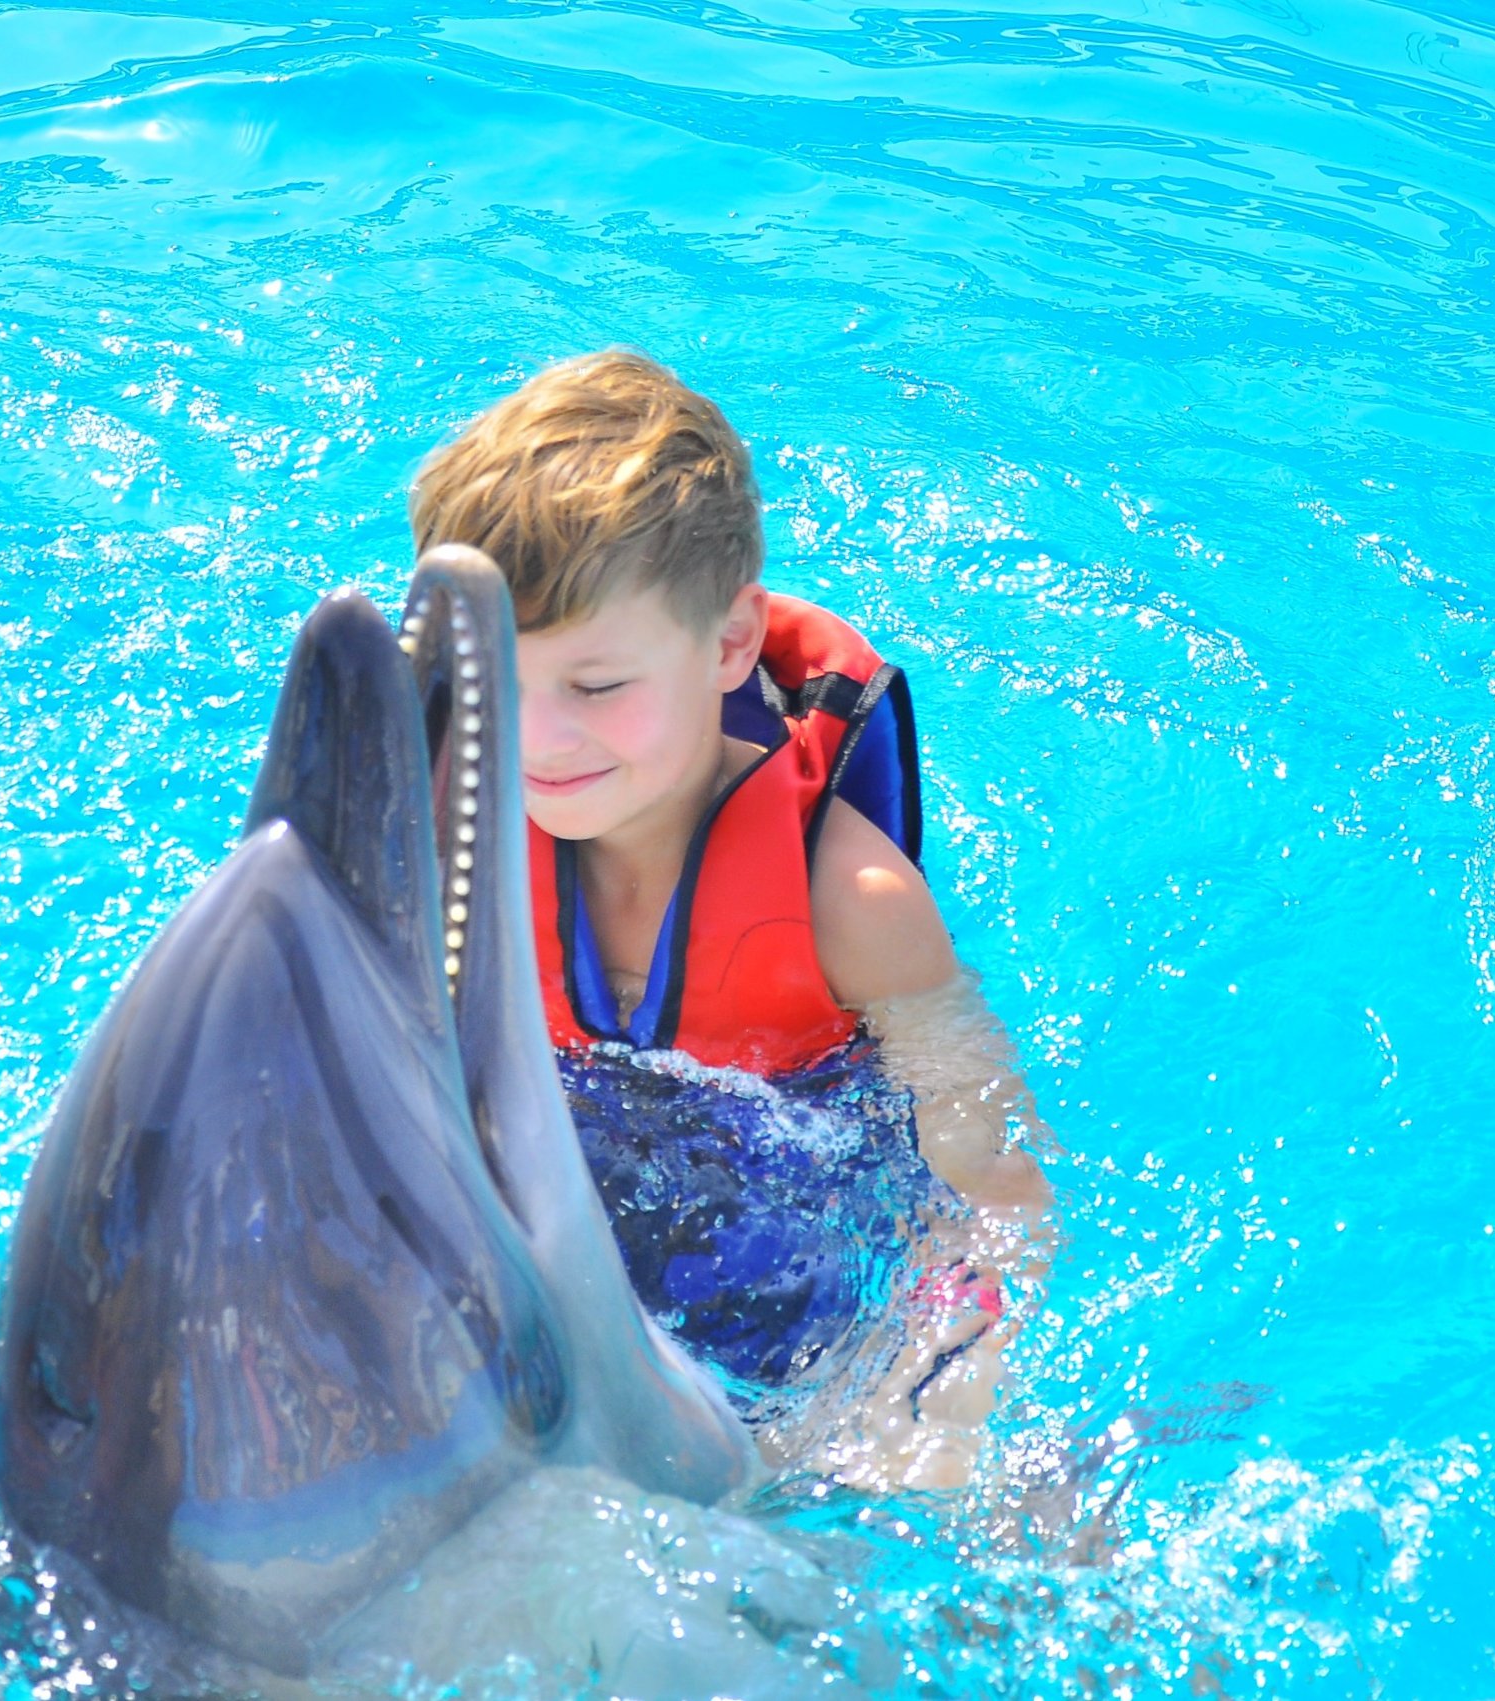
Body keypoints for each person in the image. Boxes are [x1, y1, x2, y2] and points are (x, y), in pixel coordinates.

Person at [408, 349, 1056, 1489]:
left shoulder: (847, 902)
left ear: (726, 644)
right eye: (498, 683)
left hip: (797, 1249)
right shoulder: (455, 846)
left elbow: (988, 1173)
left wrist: (938, 1399)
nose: (538, 739)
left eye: (595, 686)